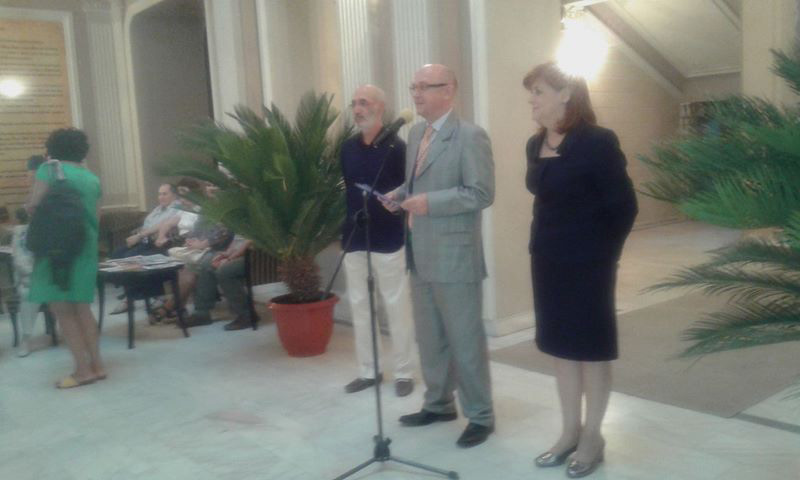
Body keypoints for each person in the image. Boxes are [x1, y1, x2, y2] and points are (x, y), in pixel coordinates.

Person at [523, 62, 637, 477]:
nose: (532, 100)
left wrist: (606, 256)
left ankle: (593, 436)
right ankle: (569, 431)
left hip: (590, 264)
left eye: (538, 91)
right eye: (531, 92)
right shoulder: (535, 144)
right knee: (561, 348)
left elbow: (624, 207)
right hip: (548, 260)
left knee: (590, 350)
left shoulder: (598, 141)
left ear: (565, 94)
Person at [383, 64, 495, 448]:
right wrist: (400, 194)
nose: (415, 94)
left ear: (449, 90)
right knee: (430, 338)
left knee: (465, 341)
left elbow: (481, 193)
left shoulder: (470, 136)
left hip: (455, 256)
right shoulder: (417, 134)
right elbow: (417, 183)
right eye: (413, 87)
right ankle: (438, 404)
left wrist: (429, 202)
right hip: (420, 252)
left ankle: (480, 415)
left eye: (424, 87)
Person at [340, 84, 415, 397]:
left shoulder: (398, 148)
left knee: (397, 306)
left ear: (380, 108)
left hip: (389, 238)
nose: (358, 109)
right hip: (355, 237)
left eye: (364, 103)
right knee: (359, 305)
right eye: (354, 104)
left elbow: (410, 190)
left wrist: (398, 203)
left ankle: (404, 372)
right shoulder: (347, 147)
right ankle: (369, 371)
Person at [27, 128, 105, 388]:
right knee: (82, 308)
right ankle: (97, 366)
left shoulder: (47, 170)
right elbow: (97, 218)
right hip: (85, 248)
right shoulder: (92, 178)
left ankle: (82, 371)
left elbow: (34, 206)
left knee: (63, 310)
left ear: (53, 149)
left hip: (56, 249)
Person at [190, 236, 255, 331]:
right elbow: (236, 240)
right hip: (236, 254)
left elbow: (248, 242)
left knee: (224, 271)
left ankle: (246, 315)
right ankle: (202, 313)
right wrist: (226, 254)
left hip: (248, 256)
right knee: (206, 265)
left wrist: (229, 259)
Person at [110, 183, 180, 258]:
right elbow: (147, 224)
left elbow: (162, 224)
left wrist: (139, 236)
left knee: (128, 257)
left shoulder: (177, 208)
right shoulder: (158, 209)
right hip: (143, 241)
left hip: (156, 244)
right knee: (116, 254)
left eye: (164, 194)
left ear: (174, 195)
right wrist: (136, 235)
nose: (161, 197)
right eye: (159, 194)